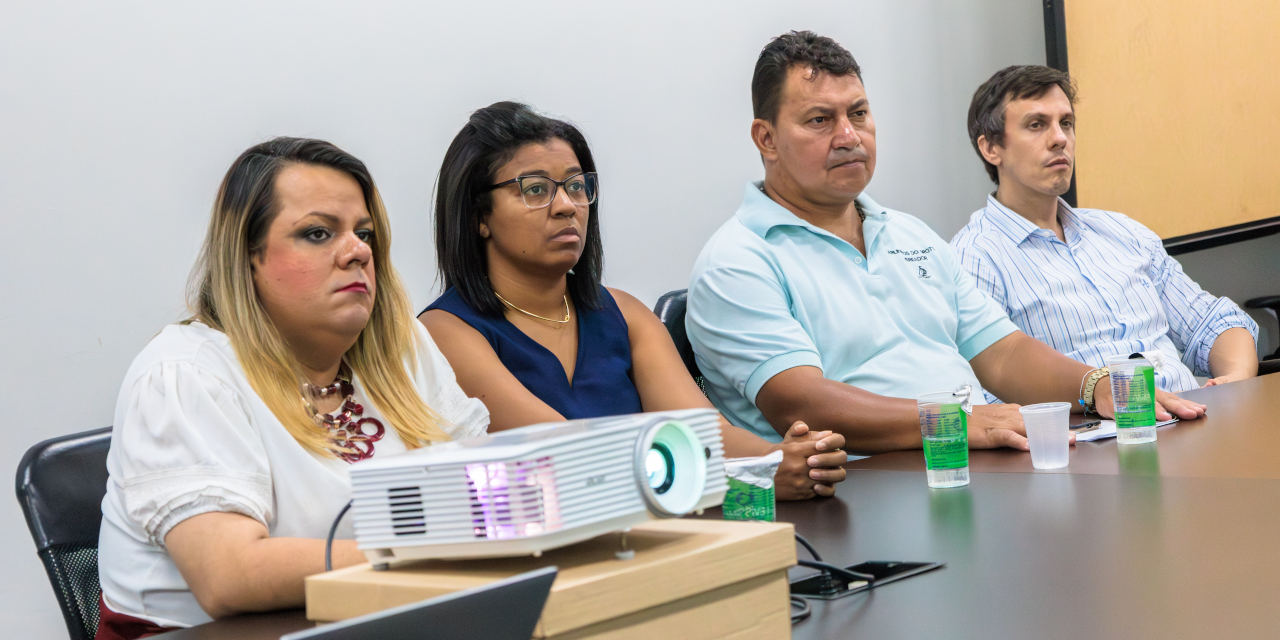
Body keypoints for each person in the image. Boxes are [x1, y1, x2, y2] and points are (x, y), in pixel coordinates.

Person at [686, 31, 1208, 456]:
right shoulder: (737, 260)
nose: (849, 136)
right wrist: (960, 422)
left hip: (968, 461)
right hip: (861, 493)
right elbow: (800, 403)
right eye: (820, 120)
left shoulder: (907, 233)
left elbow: (1002, 354)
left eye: (860, 114)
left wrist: (1096, 386)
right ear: (766, 138)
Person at [97, 138, 489, 638]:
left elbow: (482, 496)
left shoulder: (402, 349)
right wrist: (424, 552)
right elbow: (229, 577)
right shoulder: (183, 373)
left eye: (364, 233)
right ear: (248, 256)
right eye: (318, 233)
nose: (356, 252)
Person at [419, 101, 847, 500]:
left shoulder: (624, 313)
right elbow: (576, 463)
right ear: (479, 218)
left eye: (575, 185)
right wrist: (755, 475)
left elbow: (704, 433)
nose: (567, 206)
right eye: (535, 190)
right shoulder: (445, 334)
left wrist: (784, 458)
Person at [950, 64, 1259, 396]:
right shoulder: (974, 258)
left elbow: (1214, 323)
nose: (1059, 139)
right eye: (1036, 125)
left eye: (1066, 123)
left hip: (1193, 417)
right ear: (991, 148)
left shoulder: (1122, 231)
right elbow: (989, 396)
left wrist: (1236, 380)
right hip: (1096, 437)